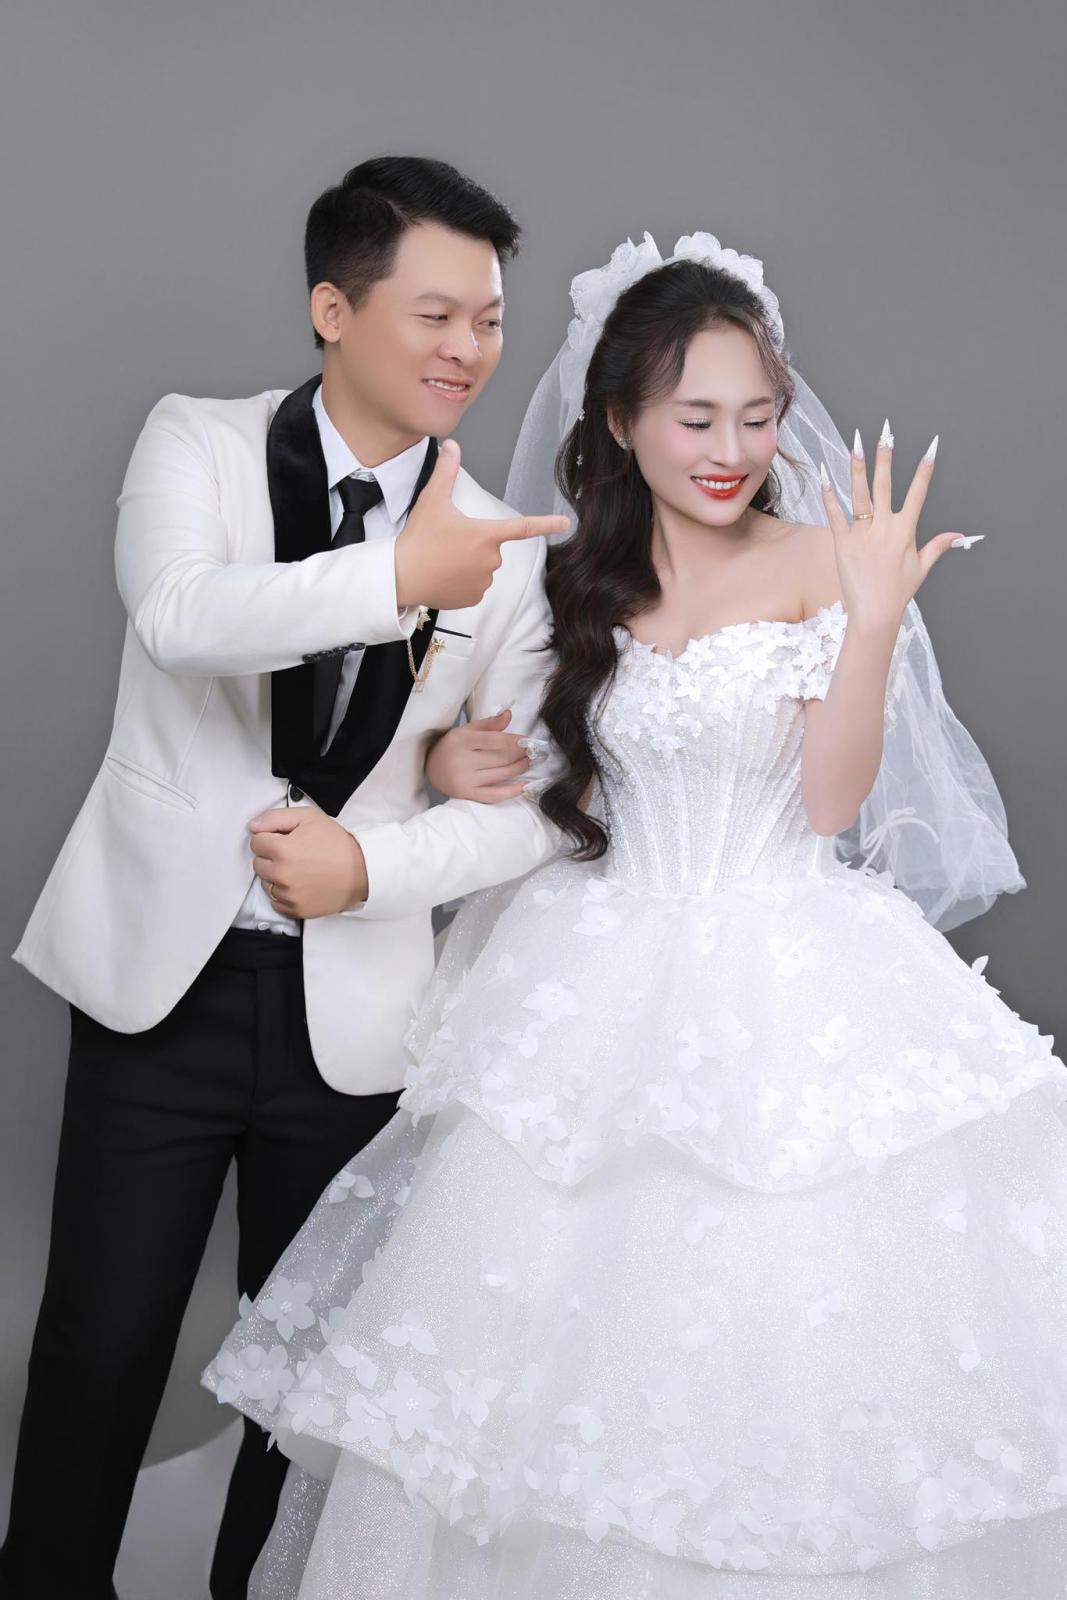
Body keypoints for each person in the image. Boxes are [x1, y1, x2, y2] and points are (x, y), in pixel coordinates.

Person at [204, 231, 1067, 1597]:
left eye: (758, 417)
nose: (732, 450)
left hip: (789, 961)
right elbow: (535, 765)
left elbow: (834, 801)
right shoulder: (570, 579)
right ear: (619, 420)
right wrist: (449, 760)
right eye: (694, 417)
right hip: (602, 959)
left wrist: (871, 621)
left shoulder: (824, 558)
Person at [1, 156, 568, 1600]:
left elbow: (532, 811)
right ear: (333, 308)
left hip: (357, 1009)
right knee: (99, 1347)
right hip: (163, 983)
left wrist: (373, 857)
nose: (468, 350)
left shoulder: (505, 551)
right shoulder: (195, 440)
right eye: (435, 314)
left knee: (304, 1378)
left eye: (489, 320)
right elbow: (180, 616)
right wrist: (399, 580)